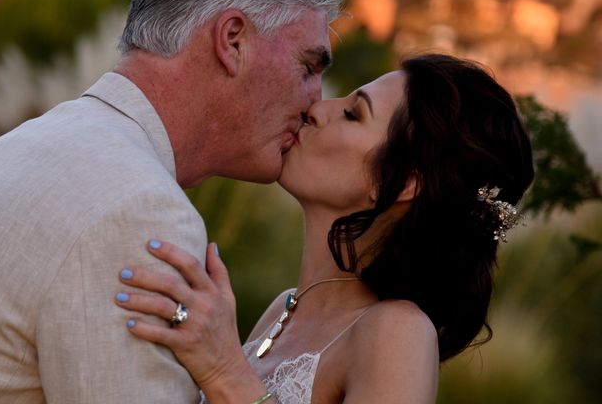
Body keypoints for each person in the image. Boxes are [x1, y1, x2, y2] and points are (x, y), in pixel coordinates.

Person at [0, 0, 344, 402]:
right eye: (309, 67)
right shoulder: (138, 209)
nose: (315, 103)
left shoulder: (32, 145)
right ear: (232, 40)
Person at [114, 54, 535, 403]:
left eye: (352, 114)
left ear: (402, 182)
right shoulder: (284, 309)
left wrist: (224, 372)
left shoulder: (397, 331)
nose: (316, 110)